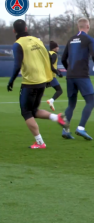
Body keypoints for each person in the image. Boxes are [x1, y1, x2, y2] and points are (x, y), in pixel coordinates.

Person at [7, 19, 67, 149]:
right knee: (33, 111)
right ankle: (57, 118)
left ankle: (40, 142)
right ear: (26, 28)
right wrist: (49, 76)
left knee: (26, 112)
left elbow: (17, 65)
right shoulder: (37, 40)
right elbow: (47, 59)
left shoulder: (18, 44)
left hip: (30, 83)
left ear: (14, 31)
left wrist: (11, 81)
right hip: (42, 81)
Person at [61, 18, 94, 140]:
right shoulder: (89, 39)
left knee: (71, 104)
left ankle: (65, 130)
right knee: (91, 101)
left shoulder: (70, 40)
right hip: (82, 75)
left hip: (70, 76)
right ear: (87, 26)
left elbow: (63, 59)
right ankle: (81, 128)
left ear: (78, 27)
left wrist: (69, 70)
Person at [46, 41, 63, 111]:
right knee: (59, 90)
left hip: (45, 75)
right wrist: (57, 73)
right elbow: (51, 66)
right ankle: (51, 100)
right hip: (51, 76)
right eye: (57, 47)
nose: (58, 48)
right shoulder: (54, 55)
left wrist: (57, 71)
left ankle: (51, 102)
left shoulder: (47, 53)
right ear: (54, 48)